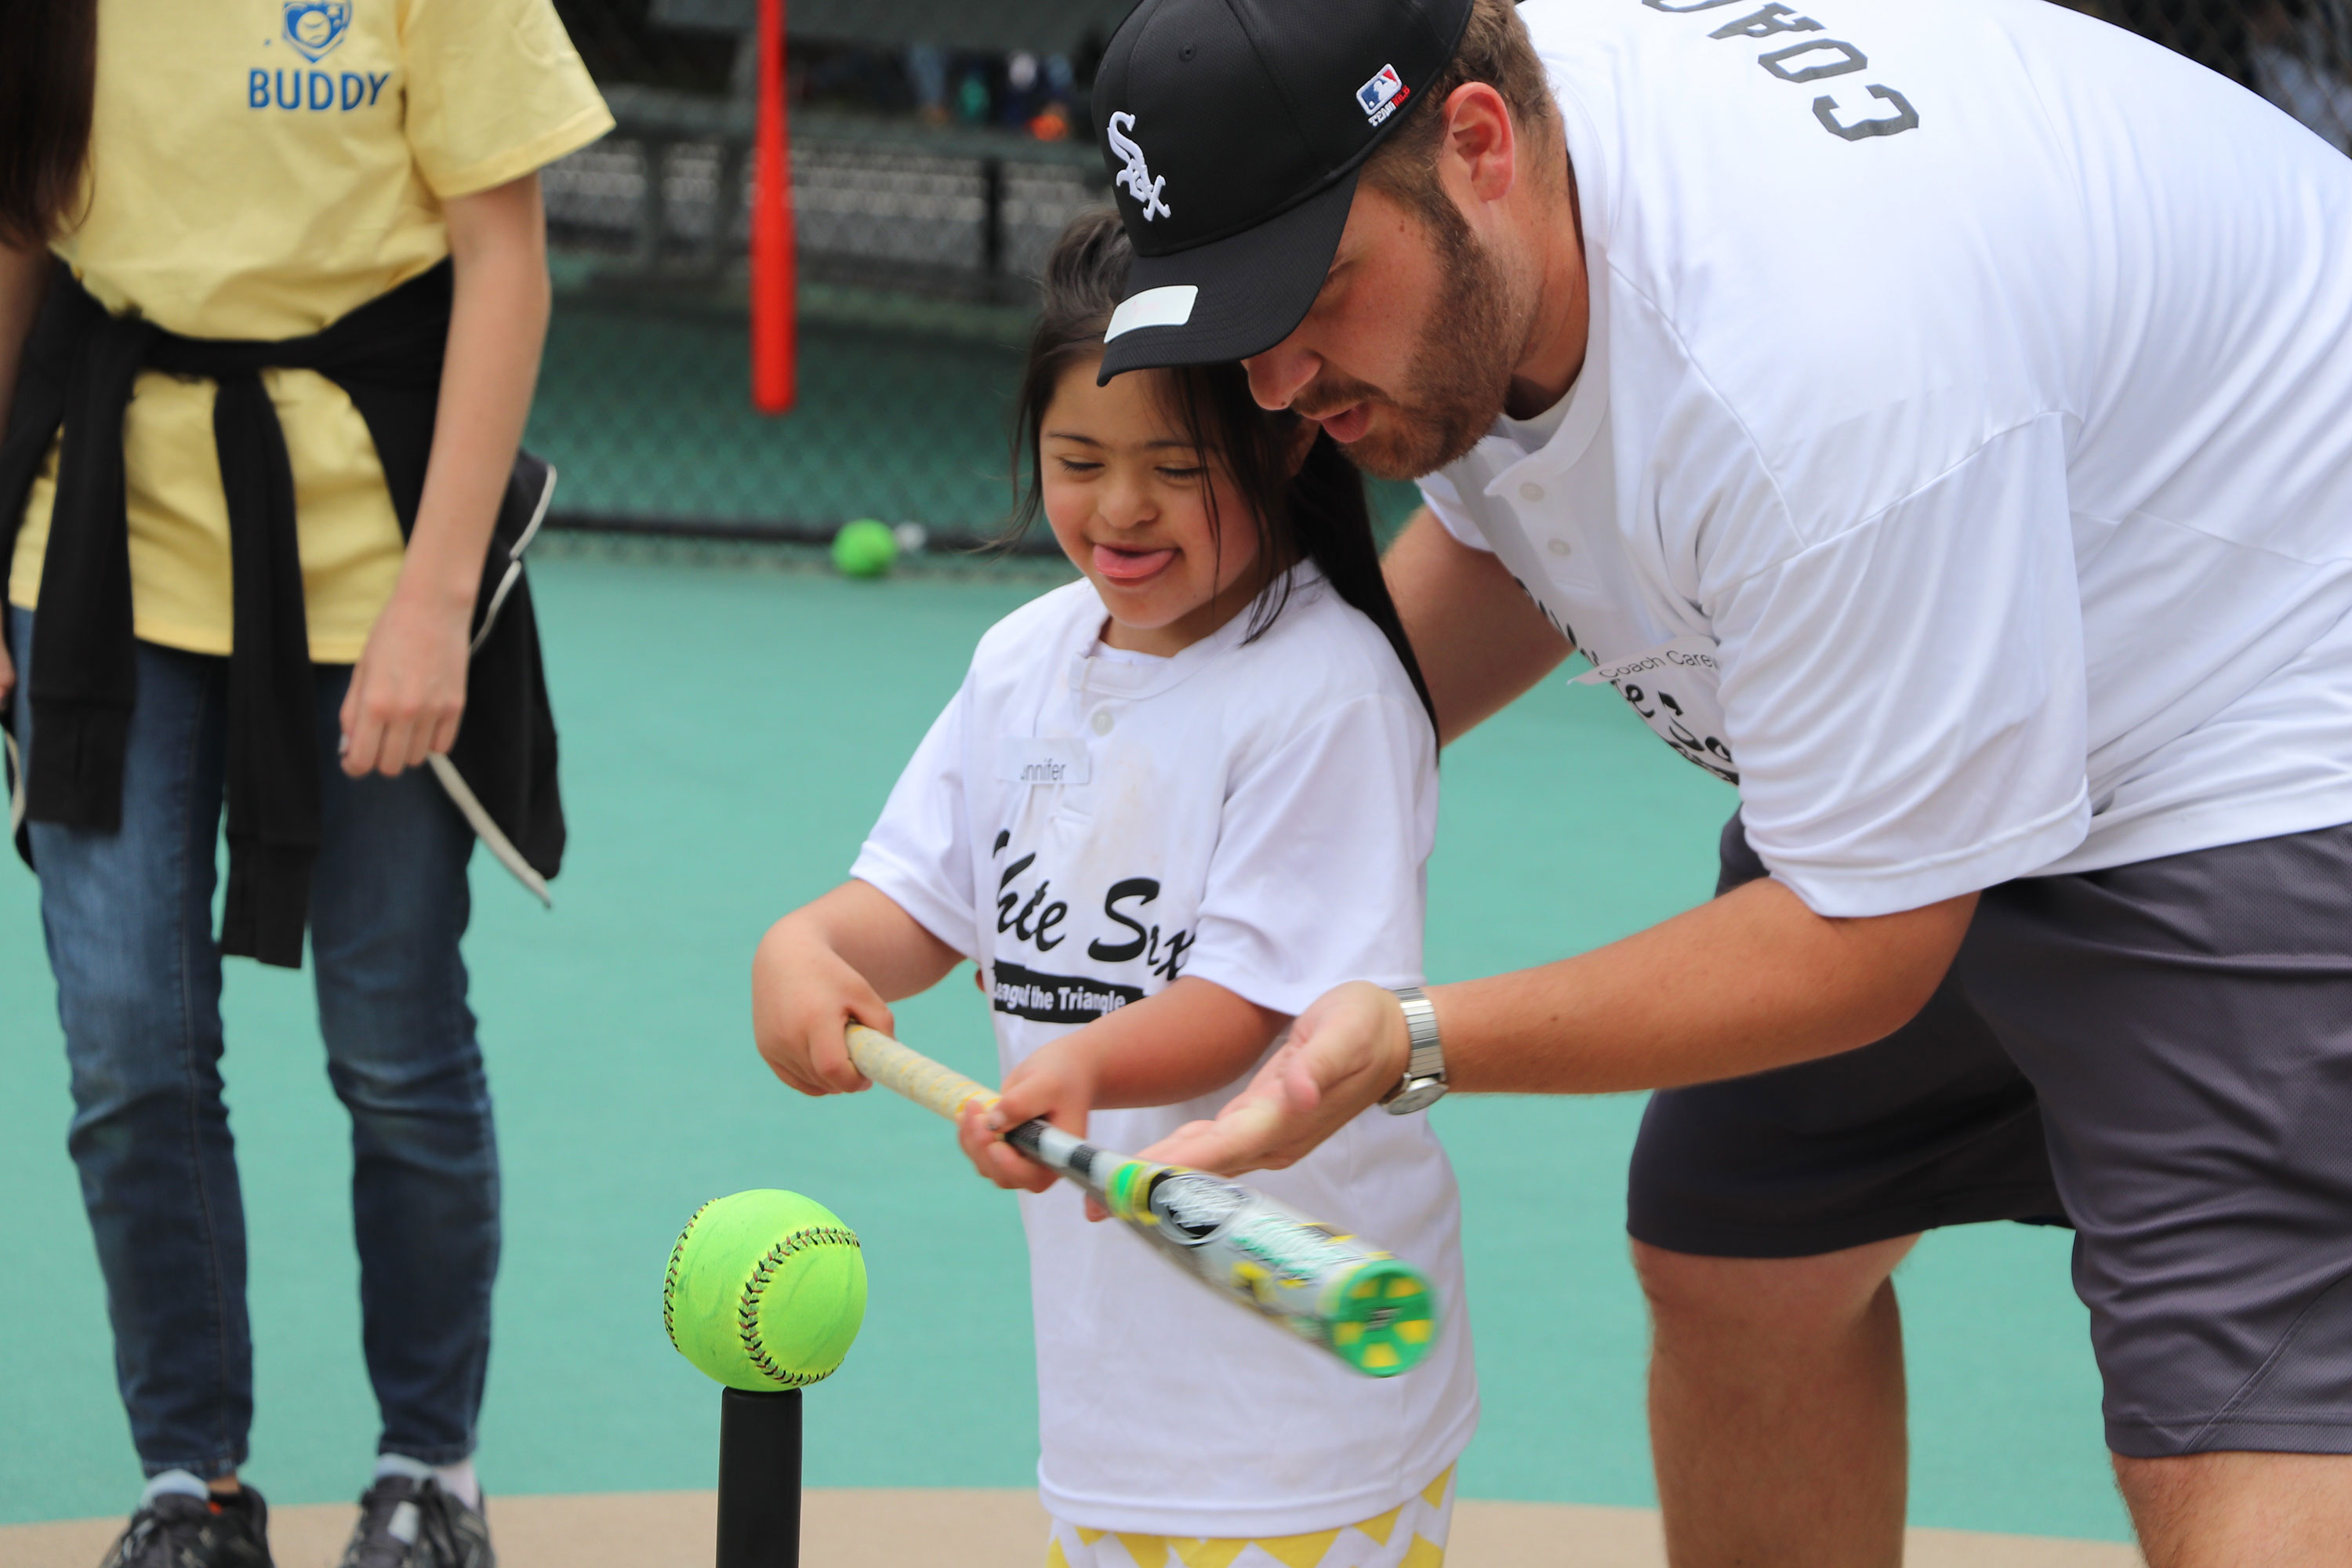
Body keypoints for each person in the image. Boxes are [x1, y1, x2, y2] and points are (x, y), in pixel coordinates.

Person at [1073, 0, 2352, 1563]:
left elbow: (1859, 939)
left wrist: (1406, 1039)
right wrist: (1232, 764)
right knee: (1740, 1245)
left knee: (2242, 1415)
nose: (1273, 382)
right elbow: (1508, 515)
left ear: (1478, 147)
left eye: (1309, 293)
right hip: (2015, 593)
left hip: (2277, 675)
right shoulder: (1486, 227)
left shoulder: (1820, 365)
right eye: (1227, 317)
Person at [752, 210, 1479, 1568]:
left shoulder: (1325, 691)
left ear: (1284, 436)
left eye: (1172, 466)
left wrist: (1078, 1068)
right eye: (1079, 462)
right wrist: (808, 944)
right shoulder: (1025, 659)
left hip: (1303, 1408)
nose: (1120, 509)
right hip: (1112, 1388)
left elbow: (1261, 1006)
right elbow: (921, 901)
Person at [0, 2, 609, 1564]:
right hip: (95, 551)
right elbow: (14, 234)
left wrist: (434, 592)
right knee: (128, 1048)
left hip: (371, 555)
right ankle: (189, 1484)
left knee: (393, 1039)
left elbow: (504, 259)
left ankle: (431, 1469)